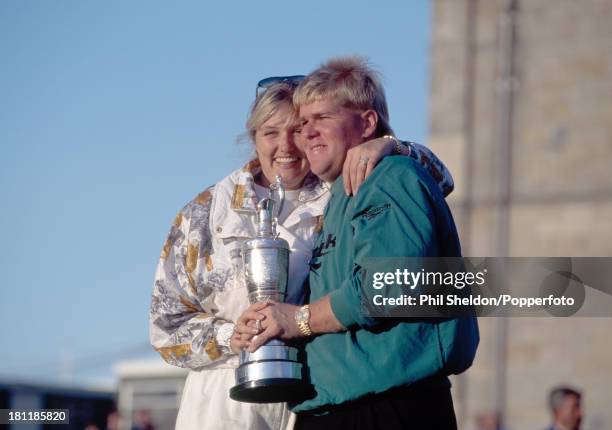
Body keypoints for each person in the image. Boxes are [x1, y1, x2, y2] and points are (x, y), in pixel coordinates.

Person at [149, 76, 455, 430]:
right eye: (271, 133)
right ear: (253, 139)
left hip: (313, 398)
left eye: (297, 131)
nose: (286, 146)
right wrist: (232, 335)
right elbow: (165, 325)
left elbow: (439, 179)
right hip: (225, 402)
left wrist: (389, 146)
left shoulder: (340, 186)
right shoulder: (205, 213)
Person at [236, 57, 479, 430]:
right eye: (304, 123)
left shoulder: (391, 176)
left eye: (323, 118)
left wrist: (298, 320)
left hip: (385, 407)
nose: (308, 133)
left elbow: (388, 285)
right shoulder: (339, 195)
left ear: (367, 123)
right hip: (334, 407)